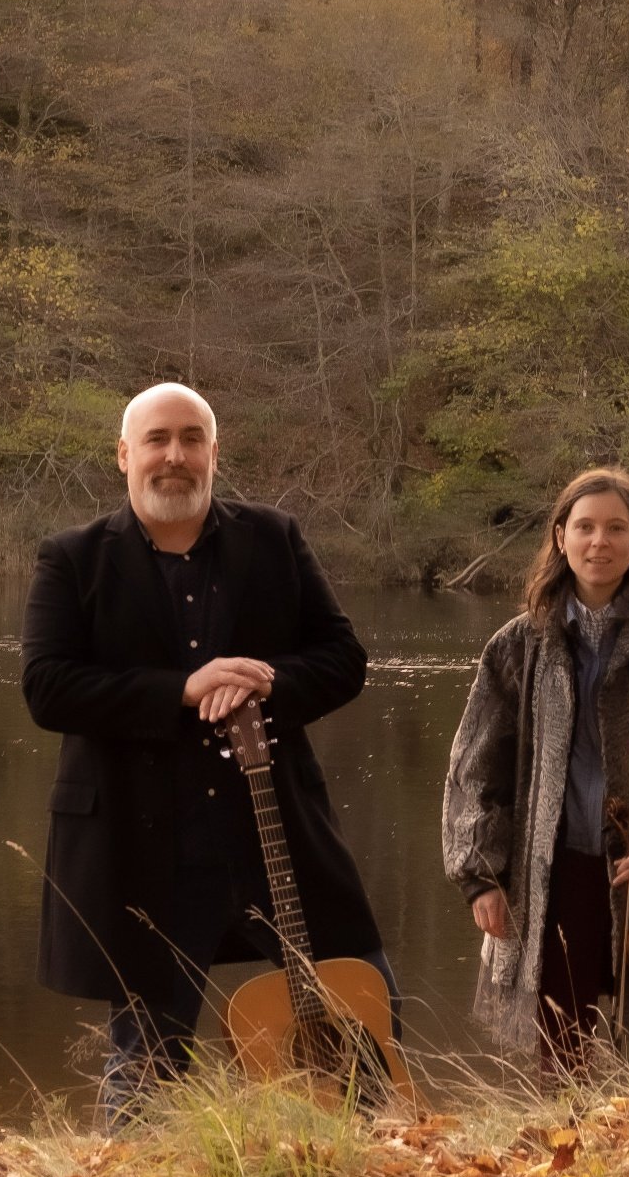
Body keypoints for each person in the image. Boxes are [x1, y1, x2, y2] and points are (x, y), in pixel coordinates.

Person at [21, 382, 393, 1120]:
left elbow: (343, 658)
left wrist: (270, 679)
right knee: (149, 1057)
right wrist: (181, 690)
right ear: (124, 455)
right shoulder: (72, 557)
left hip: (275, 829)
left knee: (363, 1006)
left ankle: (368, 1166)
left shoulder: (273, 536)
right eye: (157, 439)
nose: (175, 456)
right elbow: (47, 686)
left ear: (214, 453)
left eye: (191, 439)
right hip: (141, 840)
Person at [441, 466, 629, 1075]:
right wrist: (480, 875)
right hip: (552, 875)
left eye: (615, 528)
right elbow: (474, 770)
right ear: (560, 538)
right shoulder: (514, 646)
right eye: (584, 527)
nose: (598, 542)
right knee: (560, 1056)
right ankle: (569, 1159)